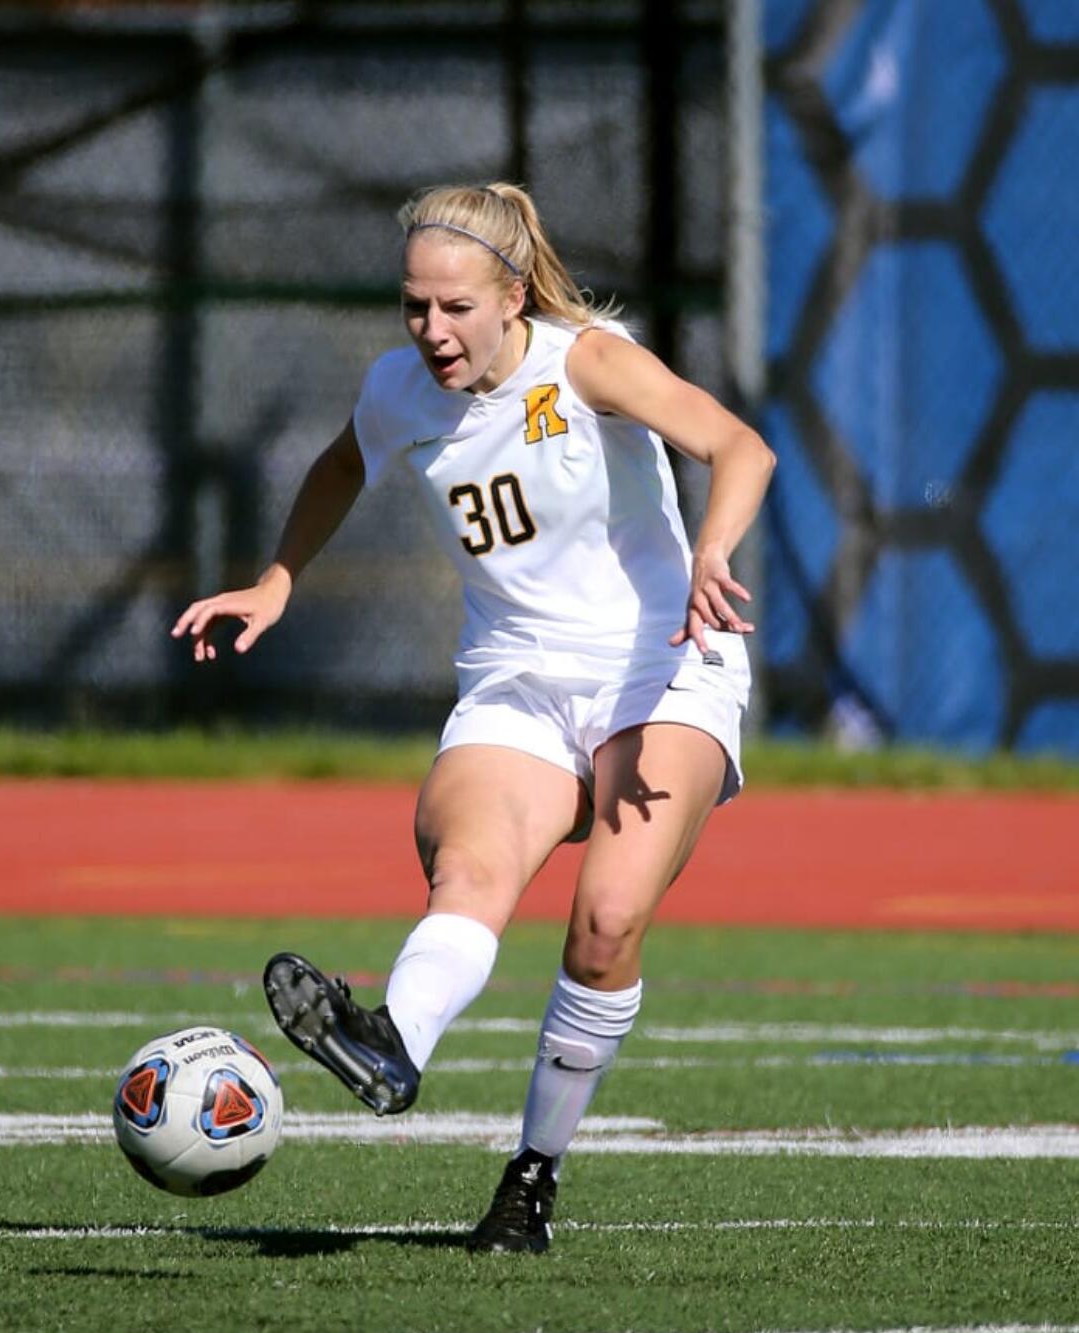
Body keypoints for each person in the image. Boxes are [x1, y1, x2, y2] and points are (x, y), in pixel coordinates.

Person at [171, 182, 775, 1254]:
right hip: (514, 678)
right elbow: (342, 462)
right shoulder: (398, 390)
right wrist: (276, 580)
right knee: (468, 872)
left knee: (603, 926)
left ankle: (529, 1183)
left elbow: (739, 448)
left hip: (660, 668)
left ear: (510, 297)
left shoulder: (583, 359)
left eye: (455, 309)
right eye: (414, 308)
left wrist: (714, 550)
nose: (432, 332)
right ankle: (392, 1041)